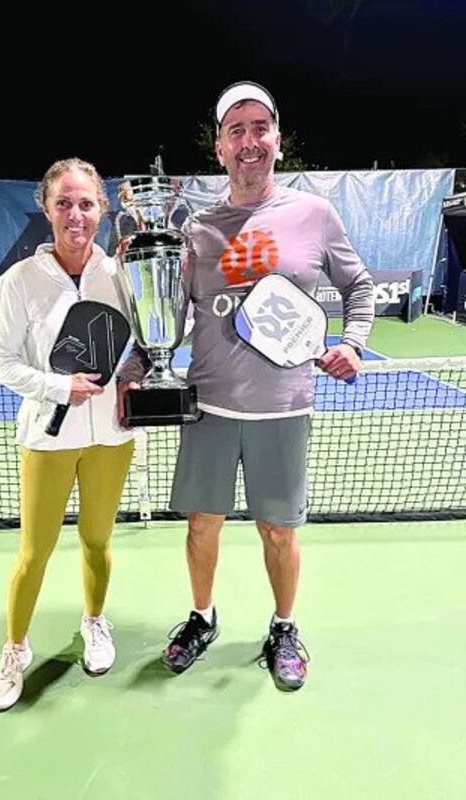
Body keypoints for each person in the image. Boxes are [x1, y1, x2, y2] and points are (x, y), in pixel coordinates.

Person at [118, 81, 375, 691]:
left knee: (278, 530)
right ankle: (202, 618)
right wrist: (132, 374)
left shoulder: (314, 214)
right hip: (208, 404)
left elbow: (359, 287)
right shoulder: (197, 230)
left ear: (277, 140)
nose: (249, 140)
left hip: (284, 406)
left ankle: (284, 627)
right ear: (220, 147)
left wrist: (352, 342)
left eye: (260, 127)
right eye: (237, 130)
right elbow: (167, 318)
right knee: (201, 523)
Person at [0, 158, 135, 711]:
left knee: (97, 541)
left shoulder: (120, 275)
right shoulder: (19, 280)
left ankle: (95, 623)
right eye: (64, 203)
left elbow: (137, 349)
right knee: (35, 553)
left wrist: (138, 373)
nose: (76, 214)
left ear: (103, 209)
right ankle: (16, 648)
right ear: (46, 209)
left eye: (87, 203)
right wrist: (55, 386)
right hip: (46, 441)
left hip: (111, 437)